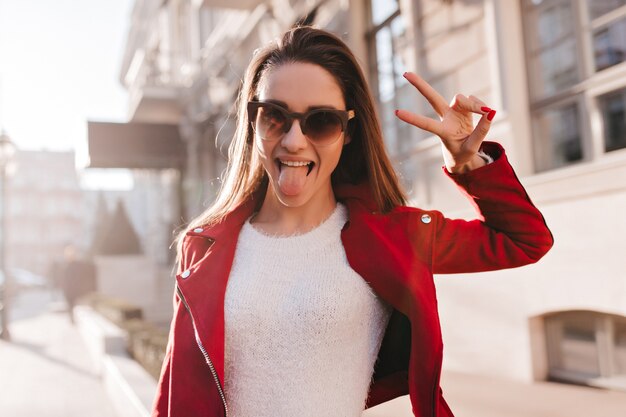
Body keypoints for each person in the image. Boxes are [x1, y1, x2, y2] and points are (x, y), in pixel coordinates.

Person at [151, 26, 553, 417]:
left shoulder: (392, 235)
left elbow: (523, 240)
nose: (293, 140)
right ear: (252, 122)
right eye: (274, 116)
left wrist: (470, 165)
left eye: (321, 121)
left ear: (348, 132)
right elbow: (173, 392)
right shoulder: (202, 245)